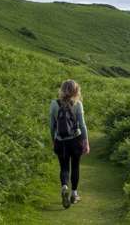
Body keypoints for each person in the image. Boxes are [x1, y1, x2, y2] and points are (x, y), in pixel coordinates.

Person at [49, 79, 90, 209]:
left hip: (60, 141)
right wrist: (86, 142)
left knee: (64, 167)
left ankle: (64, 186)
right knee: (75, 166)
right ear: (76, 91)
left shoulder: (54, 104)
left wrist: (53, 140)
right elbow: (82, 126)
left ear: (61, 89)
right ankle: (74, 194)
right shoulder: (78, 104)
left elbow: (52, 126)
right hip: (75, 140)